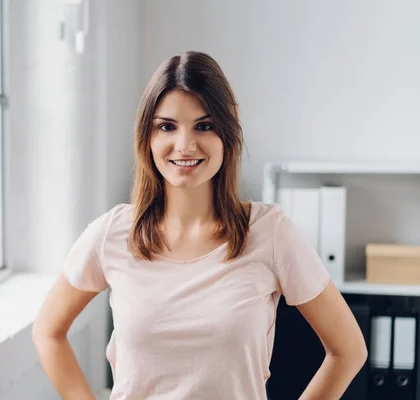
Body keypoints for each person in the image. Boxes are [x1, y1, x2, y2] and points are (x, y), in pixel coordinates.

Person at [32, 50, 367, 400]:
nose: (185, 145)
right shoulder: (112, 234)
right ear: (147, 138)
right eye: (167, 126)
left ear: (227, 133)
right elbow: (48, 332)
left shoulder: (270, 233)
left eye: (204, 126)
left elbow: (348, 351)